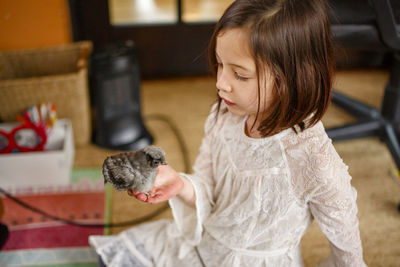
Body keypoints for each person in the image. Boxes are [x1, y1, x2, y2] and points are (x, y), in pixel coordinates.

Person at [89, 0, 367, 266]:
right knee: (114, 255)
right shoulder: (224, 116)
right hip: (205, 243)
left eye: (240, 75)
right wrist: (180, 185)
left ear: (293, 78)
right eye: (220, 64)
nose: (221, 83)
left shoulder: (312, 158)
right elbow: (207, 184)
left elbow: (347, 243)